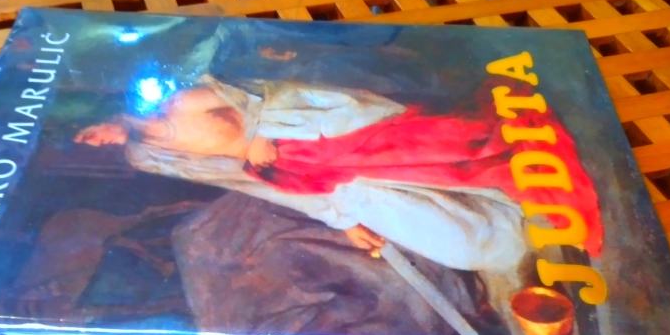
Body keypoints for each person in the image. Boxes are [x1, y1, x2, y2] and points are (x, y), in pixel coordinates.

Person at [75, 75, 601, 276]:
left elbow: (287, 94)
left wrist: (264, 129)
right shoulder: (153, 158)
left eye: (95, 129)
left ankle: (524, 209)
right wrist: (341, 220)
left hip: (336, 139)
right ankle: (503, 235)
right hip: (316, 181)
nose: (99, 139)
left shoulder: (185, 100)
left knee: (470, 155)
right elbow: (251, 181)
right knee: (469, 249)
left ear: (111, 112)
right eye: (91, 141)